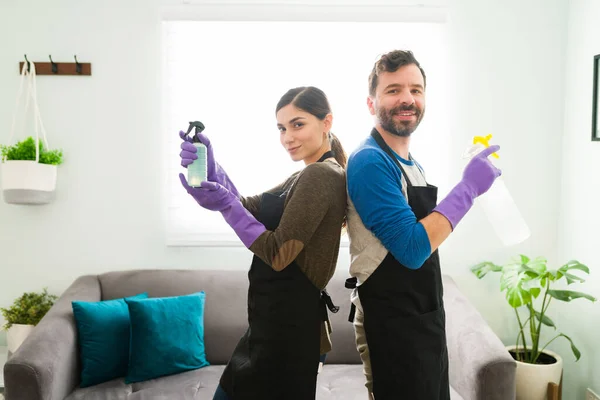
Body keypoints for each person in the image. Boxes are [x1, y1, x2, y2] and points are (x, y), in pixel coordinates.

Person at [344, 50, 501, 399]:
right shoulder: (370, 162)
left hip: (421, 318)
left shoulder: (410, 163)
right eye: (393, 89)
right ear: (371, 104)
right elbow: (414, 249)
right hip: (392, 324)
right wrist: (469, 187)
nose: (407, 99)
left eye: (416, 89)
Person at [178, 86, 348, 400]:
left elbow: (279, 253)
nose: (288, 137)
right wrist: (214, 171)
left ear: (327, 123)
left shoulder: (322, 176)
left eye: (298, 124)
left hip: (288, 334)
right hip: (271, 328)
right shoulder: (303, 175)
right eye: (282, 128)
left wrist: (226, 204)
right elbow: (249, 206)